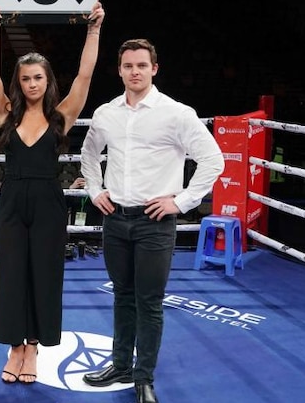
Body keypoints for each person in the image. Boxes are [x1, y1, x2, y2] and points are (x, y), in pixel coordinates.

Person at [79, 38, 224, 403]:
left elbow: (213, 160)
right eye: (128, 66)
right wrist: (95, 190)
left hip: (154, 223)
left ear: (154, 68)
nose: (135, 72)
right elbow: (89, 153)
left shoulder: (177, 113)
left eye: (142, 65)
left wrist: (182, 201)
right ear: (120, 70)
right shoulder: (106, 113)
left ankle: (144, 377)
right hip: (116, 219)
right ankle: (120, 364)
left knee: (149, 302)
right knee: (122, 296)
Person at [0, 0, 104, 384]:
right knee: (12, 273)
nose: (32, 83)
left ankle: (32, 347)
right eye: (26, 78)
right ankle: (14, 345)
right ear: (19, 83)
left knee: (44, 273)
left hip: (49, 201)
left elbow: (85, 75)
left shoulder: (62, 116)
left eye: (38, 77)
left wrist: (93, 30)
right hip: (13, 199)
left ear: (47, 80)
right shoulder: (5, 113)